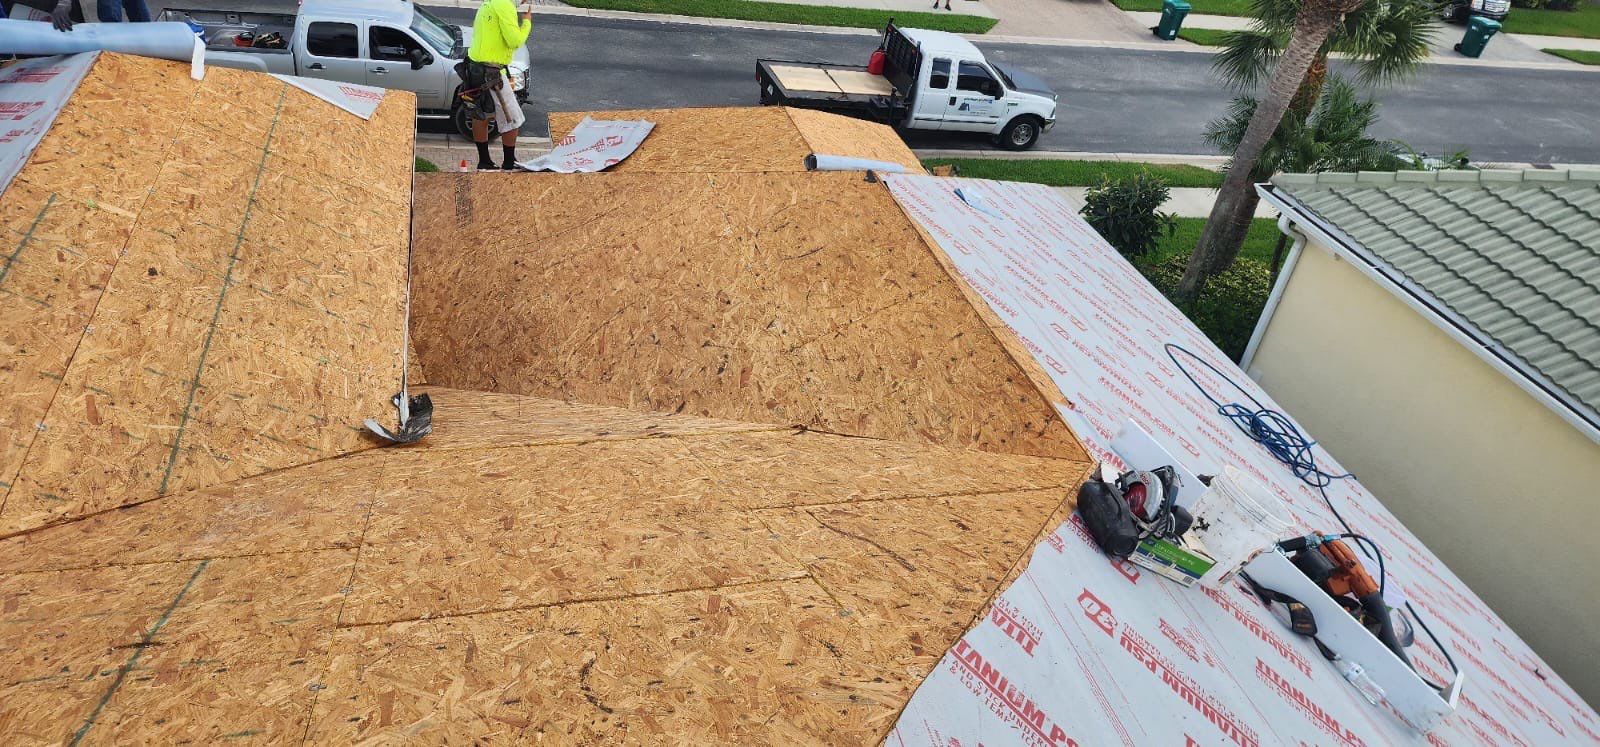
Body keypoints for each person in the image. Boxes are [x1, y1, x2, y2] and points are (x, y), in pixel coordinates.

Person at [464, 0, 531, 170]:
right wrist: (527, 23)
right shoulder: (504, 5)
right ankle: (509, 163)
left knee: (480, 114)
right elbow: (514, 41)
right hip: (491, 73)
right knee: (513, 119)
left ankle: (484, 161)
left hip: (474, 68)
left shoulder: (490, 3)